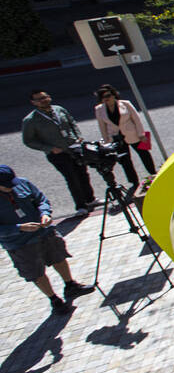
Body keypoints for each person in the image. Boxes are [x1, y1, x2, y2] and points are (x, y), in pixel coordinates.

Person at [0, 165, 94, 315]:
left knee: (59, 258)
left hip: (44, 232)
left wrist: (45, 213)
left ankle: (70, 286)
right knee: (36, 272)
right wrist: (19, 227)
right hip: (20, 243)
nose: (12, 187)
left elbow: (41, 199)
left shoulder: (22, 183)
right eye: (7, 186)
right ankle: (54, 300)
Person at [22, 89, 96, 216]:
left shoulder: (59, 109)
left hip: (74, 147)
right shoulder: (31, 120)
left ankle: (90, 200)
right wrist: (49, 148)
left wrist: (78, 136)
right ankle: (81, 206)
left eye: (45, 97)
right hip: (57, 153)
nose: (43, 100)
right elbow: (29, 141)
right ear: (33, 102)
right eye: (39, 99)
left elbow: (71, 122)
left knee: (83, 173)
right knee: (72, 178)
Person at [93, 84, 156, 191]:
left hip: (133, 134)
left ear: (114, 95)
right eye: (104, 97)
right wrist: (107, 141)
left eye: (108, 95)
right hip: (116, 137)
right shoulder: (99, 109)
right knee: (125, 160)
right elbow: (102, 126)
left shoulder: (125, 104)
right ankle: (134, 182)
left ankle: (153, 173)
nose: (107, 99)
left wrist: (141, 134)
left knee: (144, 154)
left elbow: (136, 119)